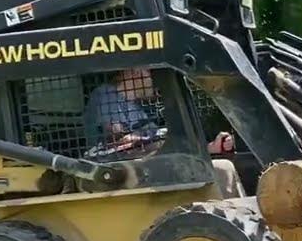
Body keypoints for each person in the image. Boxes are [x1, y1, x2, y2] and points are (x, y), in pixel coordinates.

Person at [83, 68, 245, 196]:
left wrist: (211, 148)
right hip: (118, 174)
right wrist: (160, 137)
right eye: (153, 73)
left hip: (151, 168)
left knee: (226, 167)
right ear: (137, 70)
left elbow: (161, 144)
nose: (156, 82)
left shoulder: (143, 110)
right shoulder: (105, 96)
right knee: (222, 170)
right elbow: (120, 139)